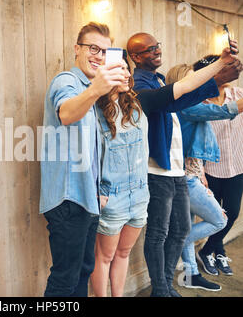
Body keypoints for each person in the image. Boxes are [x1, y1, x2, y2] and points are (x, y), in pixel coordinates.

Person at [90, 51, 237, 297]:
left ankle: (154, 289)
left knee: (124, 252)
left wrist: (220, 65)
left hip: (138, 191)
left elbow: (183, 88)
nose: (128, 74)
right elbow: (91, 153)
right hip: (112, 193)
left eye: (127, 69)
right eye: (121, 69)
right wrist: (96, 190)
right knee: (105, 256)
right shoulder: (93, 108)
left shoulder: (140, 102)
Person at [39, 22, 126, 297]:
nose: (98, 56)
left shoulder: (91, 90)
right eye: (93, 48)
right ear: (77, 49)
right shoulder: (66, 81)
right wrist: (95, 90)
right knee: (65, 278)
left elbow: (97, 147)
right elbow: (65, 113)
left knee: (83, 271)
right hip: (68, 201)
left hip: (87, 200)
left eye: (104, 51)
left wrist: (100, 191)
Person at [166, 62, 243, 291]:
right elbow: (218, 112)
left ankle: (191, 275)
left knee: (188, 225)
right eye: (193, 79)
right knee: (219, 219)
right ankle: (177, 242)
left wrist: (200, 171)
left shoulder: (186, 104)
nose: (197, 83)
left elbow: (193, 144)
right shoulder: (186, 106)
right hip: (185, 177)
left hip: (191, 173)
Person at [194, 55, 243, 277]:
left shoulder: (239, 95)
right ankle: (219, 250)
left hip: (236, 165)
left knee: (231, 212)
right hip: (210, 169)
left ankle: (208, 250)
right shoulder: (199, 102)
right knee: (216, 215)